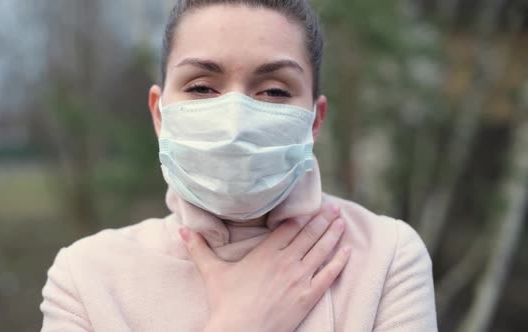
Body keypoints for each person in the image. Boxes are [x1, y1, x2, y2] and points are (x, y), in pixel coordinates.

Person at [40, 0, 438, 331]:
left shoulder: (386, 259)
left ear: (314, 121)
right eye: (201, 87)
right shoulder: (86, 279)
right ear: (159, 114)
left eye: (274, 90)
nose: (235, 120)